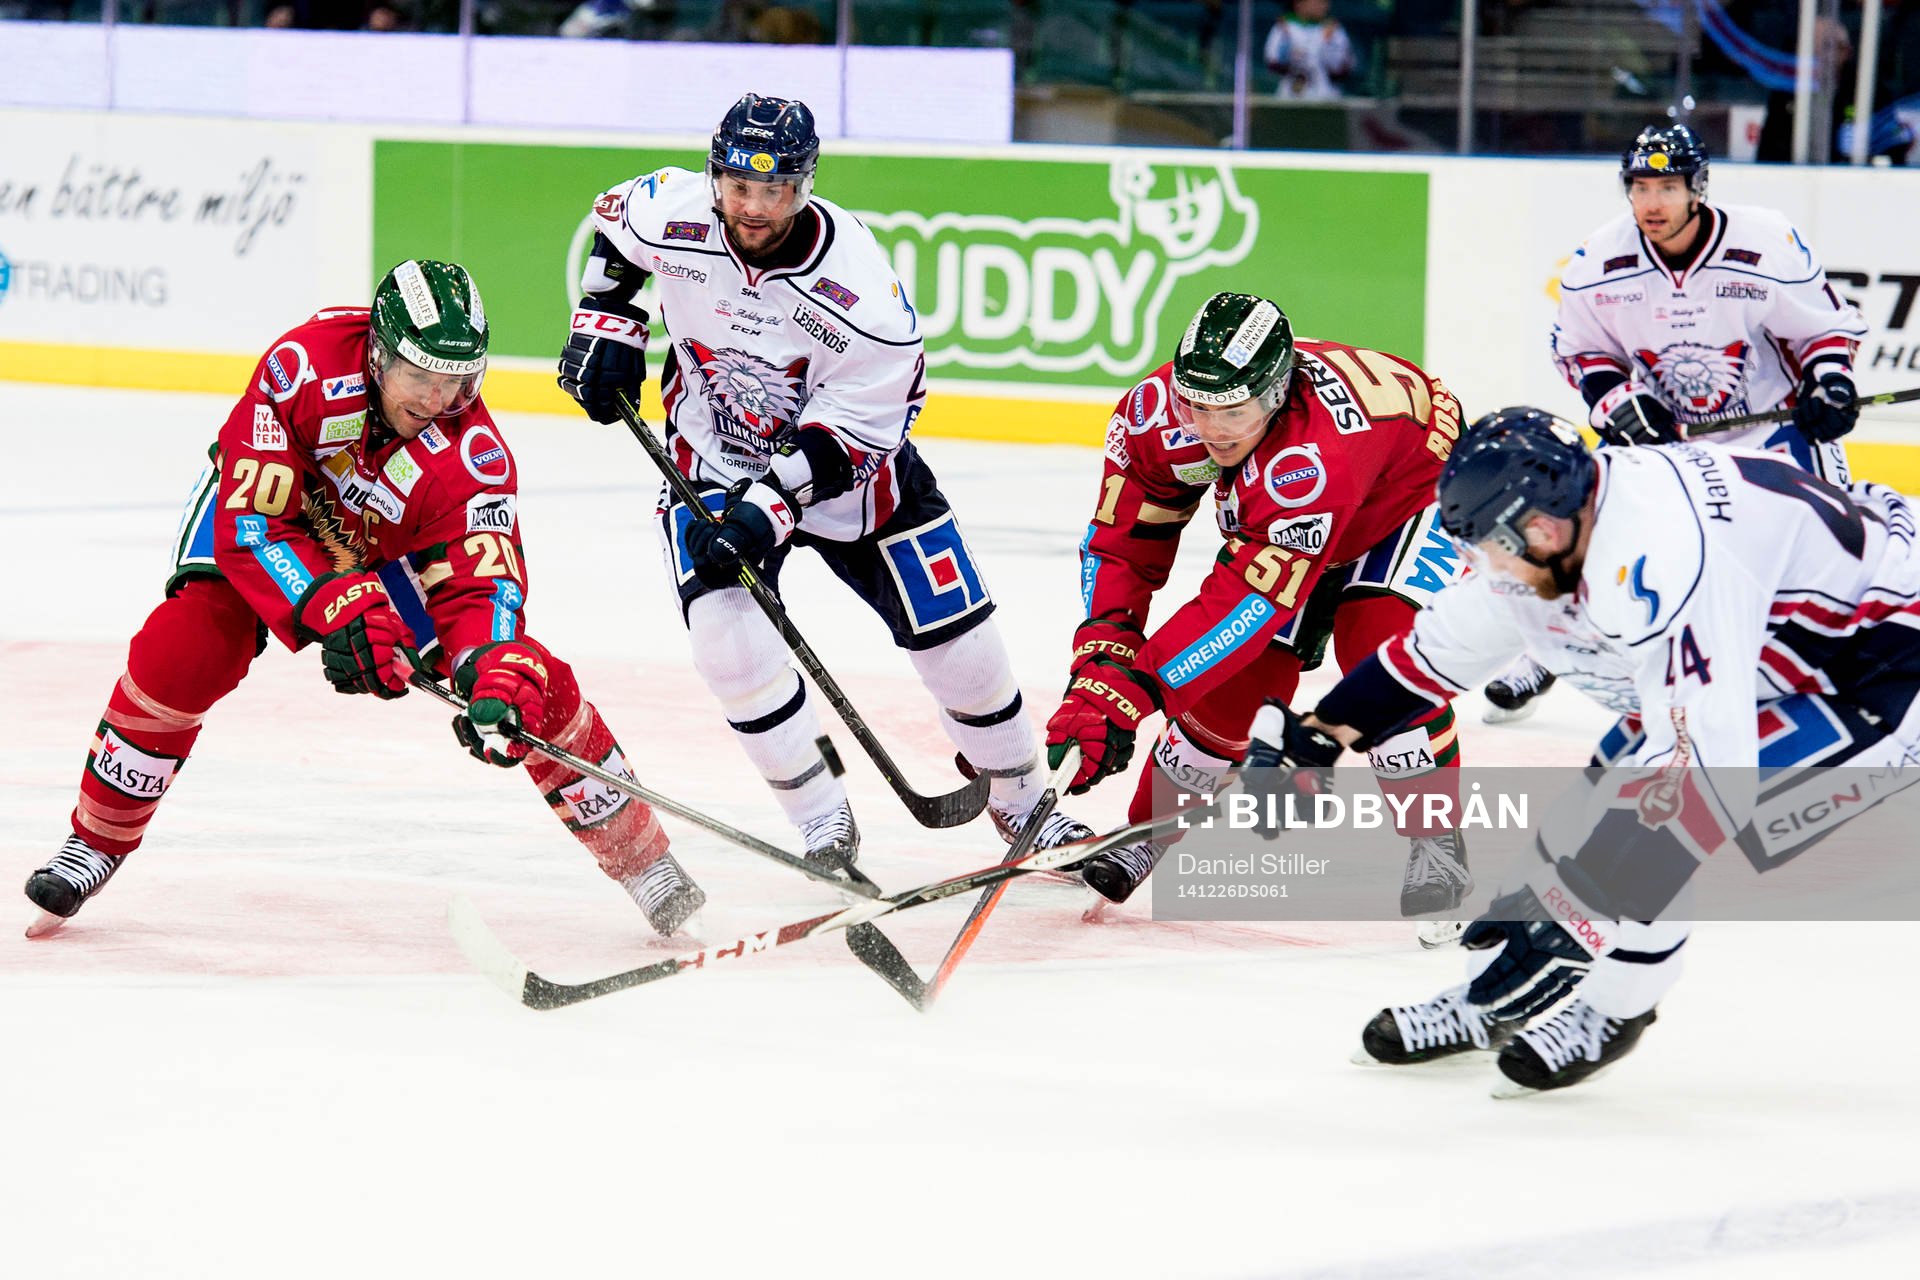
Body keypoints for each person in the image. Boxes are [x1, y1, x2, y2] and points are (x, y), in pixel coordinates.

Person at [1243, 408, 1920, 1094]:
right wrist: (1321, 732)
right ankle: (1491, 998)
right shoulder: (1548, 530)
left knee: (1652, 820)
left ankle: (1616, 1007)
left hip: (1887, 667)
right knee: (1593, 814)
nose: (1494, 570)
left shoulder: (1658, 558)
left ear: (1547, 523)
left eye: (1502, 548)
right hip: (1783, 643)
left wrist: (1576, 910)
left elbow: (1706, 778)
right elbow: (1434, 653)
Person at [24, 261, 705, 940]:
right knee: (189, 643)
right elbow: (254, 523)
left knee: (534, 686)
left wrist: (491, 666)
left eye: (456, 379)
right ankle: (97, 841)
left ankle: (645, 863)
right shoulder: (303, 368)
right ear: (378, 355)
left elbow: (481, 586)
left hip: (387, 549)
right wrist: (334, 604)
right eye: (420, 374)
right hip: (274, 512)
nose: (438, 397)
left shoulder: (475, 458)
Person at [555, 94, 1089, 869]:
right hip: (711, 461)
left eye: (775, 190)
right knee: (727, 647)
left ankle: (1023, 804)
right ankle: (822, 819)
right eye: (739, 186)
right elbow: (615, 228)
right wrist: (606, 322)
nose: (754, 207)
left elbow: (866, 428)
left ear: (805, 186)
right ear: (716, 177)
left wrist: (769, 505)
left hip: (852, 484)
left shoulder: (861, 296)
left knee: (960, 649)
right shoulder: (675, 211)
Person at [1043, 291, 1471, 926]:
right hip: (1301, 520)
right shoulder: (1155, 418)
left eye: (1232, 411)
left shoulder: (1310, 457)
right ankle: (1146, 833)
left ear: (1274, 397)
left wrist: (1133, 690)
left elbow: (1249, 600)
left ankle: (1436, 840)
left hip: (1410, 495)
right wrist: (1102, 658)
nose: (1210, 428)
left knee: (1381, 653)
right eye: (1197, 403)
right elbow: (1126, 544)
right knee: (1235, 687)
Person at [1487, 122, 1871, 725]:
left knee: (1841, 547)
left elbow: (1820, 329)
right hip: (1664, 439)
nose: (1651, 203)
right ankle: (1552, 653)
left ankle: (1846, 671)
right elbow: (1579, 350)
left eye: (1666, 187)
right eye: (1639, 187)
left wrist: (1830, 383)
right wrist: (1617, 403)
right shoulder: (1600, 260)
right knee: (1586, 534)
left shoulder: (1765, 241)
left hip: (1769, 433)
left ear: (1697, 188)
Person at [1262, 0, 1355, 102]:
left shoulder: (1332, 28)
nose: (1324, 6)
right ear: (1299, 4)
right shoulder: (1285, 26)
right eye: (1318, 2)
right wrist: (1290, 53)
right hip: (1290, 95)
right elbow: (1273, 60)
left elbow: (1340, 67)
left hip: (1326, 97)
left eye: (1325, 2)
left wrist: (1327, 45)